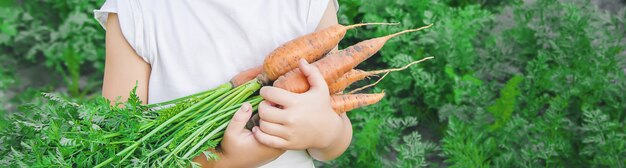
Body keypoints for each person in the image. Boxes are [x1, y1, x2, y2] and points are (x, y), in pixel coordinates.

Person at [94, 0, 352, 167]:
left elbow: (335, 138)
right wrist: (223, 162)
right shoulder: (137, 10)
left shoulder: (307, 4)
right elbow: (119, 150)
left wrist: (325, 131)